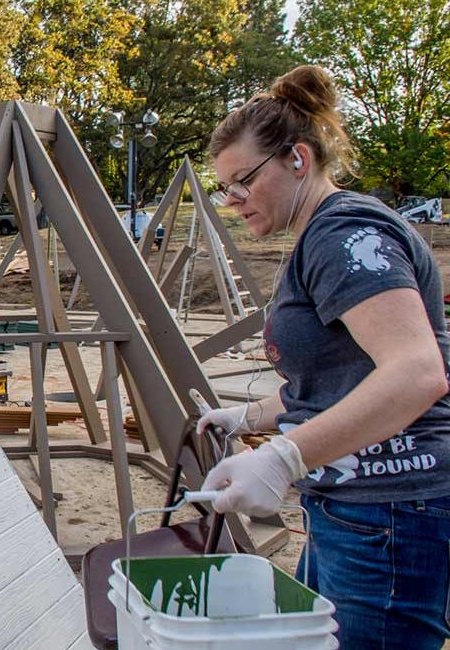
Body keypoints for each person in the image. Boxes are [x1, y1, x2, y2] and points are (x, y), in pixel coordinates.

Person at [198, 65, 450, 648]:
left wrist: (286, 456)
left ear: (298, 159)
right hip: (355, 507)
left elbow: (417, 371)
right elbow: (344, 376)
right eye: (224, 189)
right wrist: (254, 416)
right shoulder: (318, 235)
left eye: (243, 182)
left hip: (388, 510)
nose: (233, 200)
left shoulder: (344, 235)